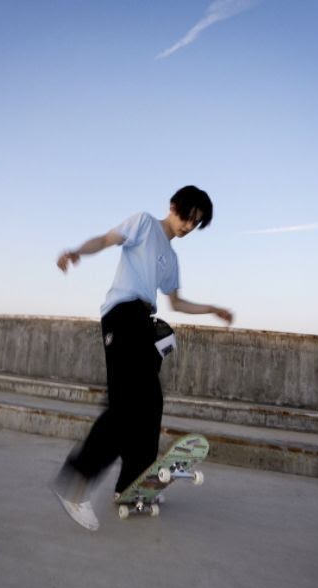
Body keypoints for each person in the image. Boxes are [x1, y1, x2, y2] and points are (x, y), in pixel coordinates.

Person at [53, 185, 234, 530]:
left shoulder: (172, 259)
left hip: (143, 323)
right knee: (125, 406)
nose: (188, 226)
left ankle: (131, 485)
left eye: (195, 223)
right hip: (122, 315)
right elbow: (106, 240)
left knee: (150, 404)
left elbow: (176, 302)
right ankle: (76, 484)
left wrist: (212, 308)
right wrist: (77, 252)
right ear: (173, 206)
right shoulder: (144, 224)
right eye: (187, 216)